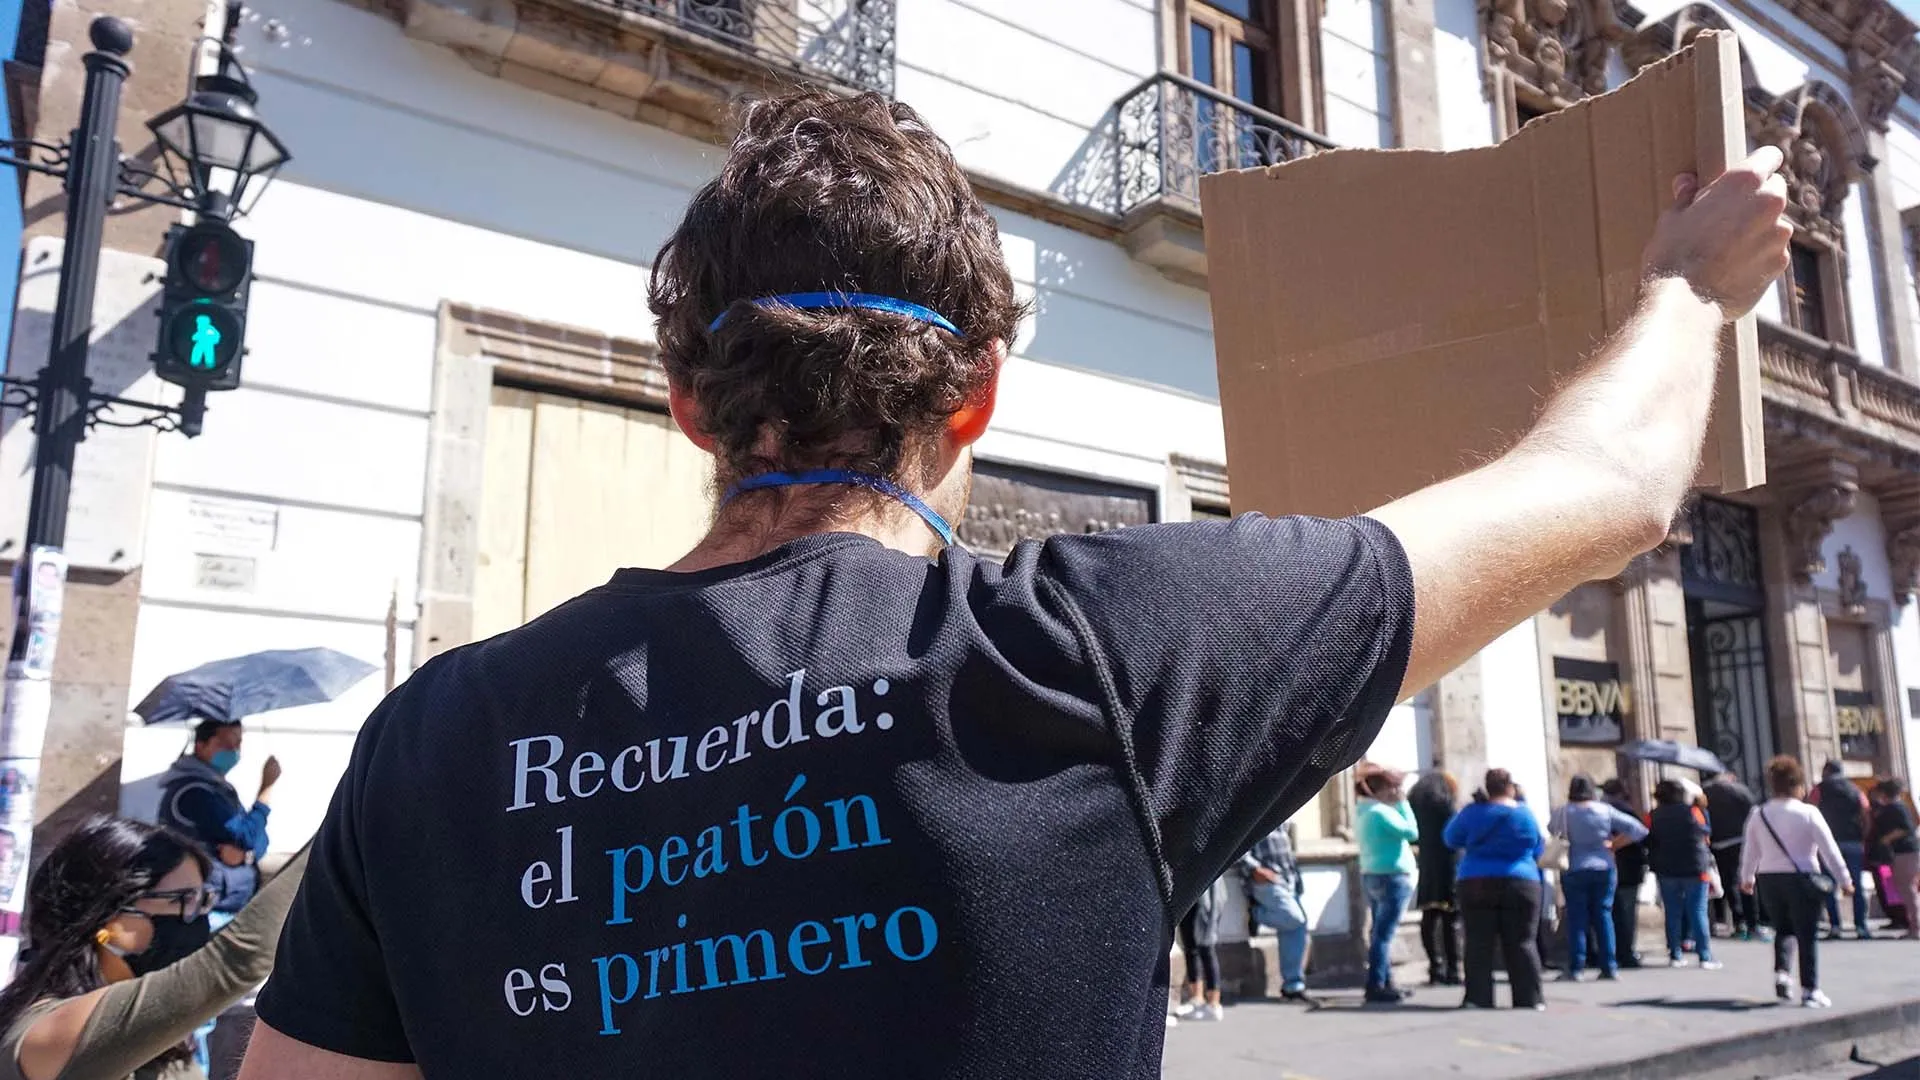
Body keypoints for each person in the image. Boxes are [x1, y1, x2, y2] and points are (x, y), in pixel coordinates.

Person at [238, 88, 1795, 1077]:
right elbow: (1606, 490)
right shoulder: (1111, 653)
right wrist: (1685, 288)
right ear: (976, 395)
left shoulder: (433, 738)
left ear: (692, 399)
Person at [0, 816, 307, 1080]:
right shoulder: (46, 1031)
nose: (198, 920)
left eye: (203, 901)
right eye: (182, 901)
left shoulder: (152, 1032)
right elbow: (238, 958)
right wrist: (351, 813)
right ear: (109, 919)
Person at [1740, 755, 1850, 1008]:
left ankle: (1782, 973)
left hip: (1768, 878)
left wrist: (1747, 877)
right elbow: (1829, 850)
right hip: (1802, 878)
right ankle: (1810, 989)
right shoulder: (1808, 813)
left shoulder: (1759, 814)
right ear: (1798, 785)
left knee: (1783, 928)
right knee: (1807, 933)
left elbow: (1750, 850)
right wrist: (1845, 879)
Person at [156, 719, 282, 918]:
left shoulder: (219, 789)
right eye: (226, 743)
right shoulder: (195, 792)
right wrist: (266, 788)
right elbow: (248, 836)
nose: (233, 750)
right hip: (206, 908)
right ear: (201, 745)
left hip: (229, 903)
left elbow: (260, 841)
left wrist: (247, 856)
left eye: (238, 743)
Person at [1445, 768, 1546, 1011]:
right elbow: (1538, 845)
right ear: (1510, 787)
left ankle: (1477, 998)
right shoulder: (1524, 814)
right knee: (1522, 941)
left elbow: (1450, 838)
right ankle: (1529, 998)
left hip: (1476, 879)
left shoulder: (1472, 813)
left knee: (1478, 941)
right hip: (1521, 880)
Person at [1549, 775, 1646, 982]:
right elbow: (1638, 830)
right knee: (1604, 916)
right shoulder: (1605, 810)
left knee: (1577, 918)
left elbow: (1552, 830)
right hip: (1604, 866)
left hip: (1573, 867)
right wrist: (1615, 844)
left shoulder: (1562, 812)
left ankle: (1576, 967)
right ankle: (1609, 966)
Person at [1356, 769, 1418, 1003]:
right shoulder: (1380, 812)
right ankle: (1376, 984)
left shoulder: (1362, 810)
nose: (1395, 792)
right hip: (1392, 876)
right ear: (1379, 790)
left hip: (1372, 873)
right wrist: (1403, 804)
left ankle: (1386, 980)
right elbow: (1411, 832)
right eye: (1391, 787)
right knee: (1384, 935)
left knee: (1378, 932)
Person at [1645, 778, 1719, 969]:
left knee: (1672, 912)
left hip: (1666, 868)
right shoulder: (1693, 811)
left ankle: (1675, 954)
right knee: (1697, 911)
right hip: (1695, 866)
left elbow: (1647, 838)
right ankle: (1704, 955)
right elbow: (1705, 831)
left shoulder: (1653, 815)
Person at [1241, 824, 1312, 1002]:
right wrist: (1255, 869)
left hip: (1287, 878)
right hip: (1266, 880)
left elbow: (1288, 848)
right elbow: (1236, 847)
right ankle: (1256, 914)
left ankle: (1293, 986)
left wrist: (1296, 878)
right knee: (1294, 919)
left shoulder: (1281, 813)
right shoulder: (1252, 811)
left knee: (1296, 929)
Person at [1808, 760, 1872, 940]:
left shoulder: (1818, 789)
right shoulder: (1855, 790)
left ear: (1826, 771)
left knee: (1829, 885)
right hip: (1853, 842)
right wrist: (1862, 836)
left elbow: (1811, 812)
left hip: (1828, 842)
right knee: (1856, 885)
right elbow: (1865, 814)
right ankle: (1861, 926)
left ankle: (1835, 926)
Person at [1408, 770, 1461, 986]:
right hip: (1448, 864)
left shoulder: (1415, 805)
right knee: (1450, 920)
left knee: (1429, 917)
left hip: (1428, 864)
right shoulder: (1446, 807)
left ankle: (1435, 967)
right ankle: (1453, 969)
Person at [1703, 770, 1760, 939]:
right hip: (1740, 840)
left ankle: (1738, 919)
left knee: (1728, 882)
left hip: (1718, 842)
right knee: (1746, 879)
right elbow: (1754, 812)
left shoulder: (1705, 792)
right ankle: (1752, 922)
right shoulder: (1740, 790)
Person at [1601, 779, 1648, 968]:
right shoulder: (1623, 811)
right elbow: (1641, 834)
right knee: (1625, 914)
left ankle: (1608, 952)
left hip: (1606, 867)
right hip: (1627, 869)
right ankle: (1625, 953)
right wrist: (1616, 844)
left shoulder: (1599, 810)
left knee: (1607, 913)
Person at [1171, 878, 1228, 1022]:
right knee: (1200, 949)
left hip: (1199, 897)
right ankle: (1203, 1000)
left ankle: (1207, 1001)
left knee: (1199, 949)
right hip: (1209, 898)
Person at [1870, 778, 1918, 940]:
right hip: (1905, 852)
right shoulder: (1897, 807)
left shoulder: (1897, 808)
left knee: (1908, 889)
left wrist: (1887, 839)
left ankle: (1916, 927)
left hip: (1905, 852)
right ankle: (1913, 925)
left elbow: (1906, 828)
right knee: (1906, 889)